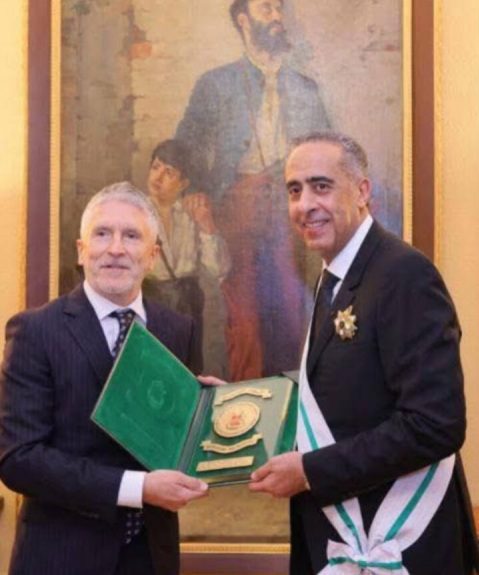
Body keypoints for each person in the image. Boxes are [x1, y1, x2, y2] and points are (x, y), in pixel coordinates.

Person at [248, 133, 479, 574]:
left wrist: (312, 470)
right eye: (294, 190)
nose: (305, 205)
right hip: (347, 533)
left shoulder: (404, 274)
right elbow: (342, 387)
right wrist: (237, 403)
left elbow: (436, 424)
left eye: (321, 186)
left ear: (362, 191)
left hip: (400, 540)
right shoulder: (336, 274)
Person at [0, 183, 212, 575]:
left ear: (153, 256)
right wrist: (137, 488)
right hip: (61, 559)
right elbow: (19, 459)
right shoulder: (35, 331)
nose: (116, 248)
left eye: (131, 236)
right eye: (102, 234)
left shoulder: (178, 330)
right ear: (82, 251)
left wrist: (211, 412)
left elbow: (180, 446)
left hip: (151, 559)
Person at [175, 0, 331, 380]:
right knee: (244, 317)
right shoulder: (215, 84)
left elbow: (328, 152)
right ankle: (246, 404)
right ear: (243, 20)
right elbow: (185, 145)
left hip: (291, 210)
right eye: (266, 8)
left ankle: (292, 401)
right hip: (238, 204)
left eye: (279, 8)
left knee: (291, 311)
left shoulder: (305, 89)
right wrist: (197, 191)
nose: (277, 16)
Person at [143, 139, 231, 366]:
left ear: (183, 183)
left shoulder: (191, 214)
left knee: (186, 369)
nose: (158, 177)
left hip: (188, 308)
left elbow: (218, 270)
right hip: (148, 304)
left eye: (169, 172)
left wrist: (207, 225)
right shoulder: (136, 214)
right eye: (155, 167)